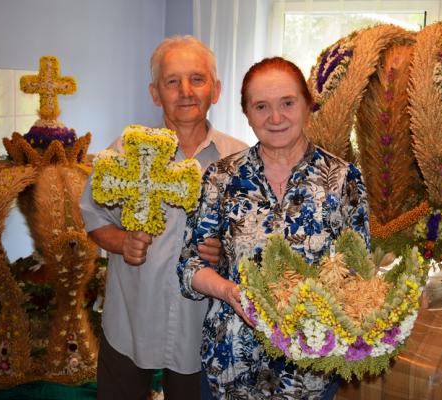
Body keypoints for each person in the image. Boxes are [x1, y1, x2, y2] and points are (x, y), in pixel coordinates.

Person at [177, 57, 371, 399]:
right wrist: (227, 291)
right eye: (261, 106)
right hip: (229, 366)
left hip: (309, 373)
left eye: (287, 103)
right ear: (247, 114)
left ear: (307, 105)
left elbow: (359, 273)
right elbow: (190, 266)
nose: (275, 117)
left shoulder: (342, 180)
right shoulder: (222, 177)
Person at [80, 36, 248, 400]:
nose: (186, 91)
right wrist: (122, 242)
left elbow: (256, 241)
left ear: (216, 90)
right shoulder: (124, 153)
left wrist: (229, 252)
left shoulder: (240, 161)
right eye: (172, 82)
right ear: (155, 93)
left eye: (197, 79)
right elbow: (93, 217)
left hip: (202, 328)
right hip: (131, 318)